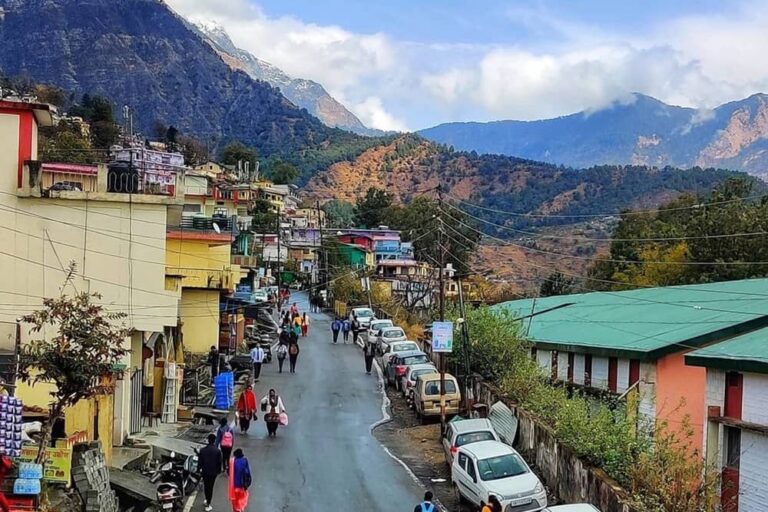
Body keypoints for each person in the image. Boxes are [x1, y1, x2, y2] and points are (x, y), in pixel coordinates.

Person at [199, 434, 222, 512]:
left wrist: (199, 470)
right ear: (214, 440)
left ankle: (206, 499)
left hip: (205, 471)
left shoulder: (202, 450)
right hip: (213, 472)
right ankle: (208, 503)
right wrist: (218, 471)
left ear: (208, 440)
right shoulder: (217, 451)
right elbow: (219, 463)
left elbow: (200, 462)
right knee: (210, 487)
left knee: (206, 486)